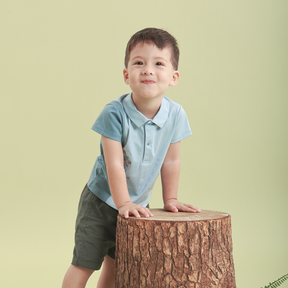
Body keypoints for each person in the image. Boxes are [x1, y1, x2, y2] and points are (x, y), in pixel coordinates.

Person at [62, 27, 201, 288]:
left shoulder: (176, 114)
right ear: (127, 75)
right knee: (84, 263)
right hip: (101, 202)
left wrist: (169, 198)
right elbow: (114, 162)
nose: (148, 70)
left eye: (158, 63)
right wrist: (122, 202)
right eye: (139, 63)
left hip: (137, 206)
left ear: (174, 77)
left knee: (116, 266)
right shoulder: (114, 113)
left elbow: (171, 161)